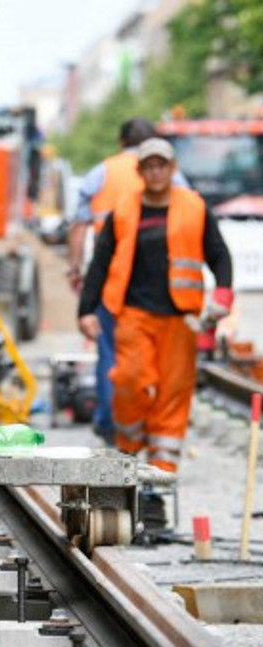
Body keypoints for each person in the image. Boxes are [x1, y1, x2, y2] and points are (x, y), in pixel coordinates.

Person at [77, 138, 232, 472]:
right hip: (134, 314)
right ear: (140, 171)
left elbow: (219, 254)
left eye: (162, 165)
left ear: (173, 168)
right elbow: (101, 262)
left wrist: (222, 296)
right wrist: (86, 310)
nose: (156, 172)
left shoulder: (194, 207)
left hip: (180, 318)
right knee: (129, 380)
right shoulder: (124, 210)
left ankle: (160, 473)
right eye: (149, 166)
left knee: (173, 392)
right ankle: (130, 448)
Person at [67, 118, 187, 445]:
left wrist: (75, 269)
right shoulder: (173, 174)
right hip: (162, 281)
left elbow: (79, 225)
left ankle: (112, 426)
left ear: (121, 142)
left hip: (112, 278)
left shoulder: (101, 173)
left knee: (111, 352)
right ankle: (151, 423)